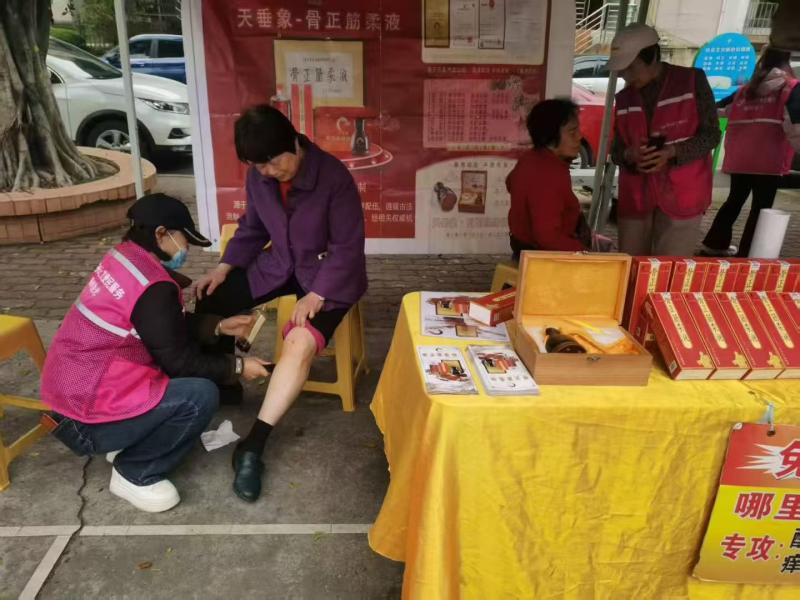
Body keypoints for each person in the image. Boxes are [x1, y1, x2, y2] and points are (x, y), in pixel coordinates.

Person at [40, 194, 271, 513]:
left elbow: (158, 326)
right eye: (184, 240)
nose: (186, 249)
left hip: (68, 400)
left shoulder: (123, 259)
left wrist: (218, 326)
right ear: (161, 234)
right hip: (85, 420)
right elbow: (180, 362)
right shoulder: (153, 286)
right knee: (200, 395)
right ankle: (135, 471)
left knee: (171, 374)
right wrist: (238, 366)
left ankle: (127, 436)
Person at [194, 105, 367, 503]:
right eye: (259, 166)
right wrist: (224, 267)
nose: (268, 172)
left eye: (273, 162)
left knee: (299, 342)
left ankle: (253, 445)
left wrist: (317, 294)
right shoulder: (260, 177)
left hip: (329, 276)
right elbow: (253, 228)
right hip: (282, 265)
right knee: (212, 296)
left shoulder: (334, 178)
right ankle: (225, 383)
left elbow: (346, 248)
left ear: (294, 143)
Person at [609, 24, 721, 256]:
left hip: (682, 194)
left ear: (651, 57)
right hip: (637, 197)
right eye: (621, 70)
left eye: (630, 68)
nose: (625, 76)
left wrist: (672, 152)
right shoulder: (624, 98)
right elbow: (617, 150)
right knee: (632, 265)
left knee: (671, 268)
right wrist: (630, 154)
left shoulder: (692, 81)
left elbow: (711, 134)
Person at [701, 47, 800, 257]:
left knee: (734, 200)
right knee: (761, 207)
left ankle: (714, 244)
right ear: (787, 60)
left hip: (740, 157)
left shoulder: (745, 90)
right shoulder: (791, 88)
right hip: (769, 160)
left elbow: (717, 109)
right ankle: (748, 253)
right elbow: (795, 127)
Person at [506, 98, 592, 260]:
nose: (579, 136)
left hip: (523, 248)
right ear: (550, 137)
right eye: (572, 132)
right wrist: (585, 253)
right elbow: (547, 237)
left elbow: (510, 182)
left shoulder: (531, 157)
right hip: (542, 258)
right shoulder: (548, 174)